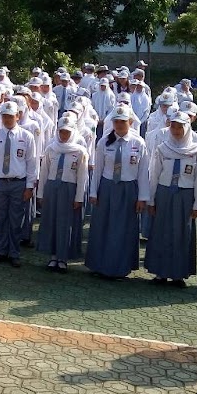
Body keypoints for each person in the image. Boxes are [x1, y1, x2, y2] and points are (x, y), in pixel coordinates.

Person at [85, 105, 149, 279]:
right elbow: (97, 169)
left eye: (123, 121)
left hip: (128, 190)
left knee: (124, 229)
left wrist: (143, 197)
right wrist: (93, 192)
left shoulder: (138, 143)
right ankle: (100, 264)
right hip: (107, 188)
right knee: (103, 227)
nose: (120, 125)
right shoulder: (103, 142)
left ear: (130, 122)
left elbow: (143, 172)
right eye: (116, 121)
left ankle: (122, 267)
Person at [145, 111, 197, 286]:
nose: (177, 130)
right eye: (173, 126)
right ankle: (160, 273)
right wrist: (151, 200)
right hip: (164, 194)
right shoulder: (162, 148)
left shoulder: (196, 152)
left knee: (181, 234)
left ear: (187, 128)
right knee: (161, 232)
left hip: (185, 196)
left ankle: (178, 274)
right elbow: (154, 175)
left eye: (181, 127)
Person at [36, 116, 88, 273]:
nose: (64, 135)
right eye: (62, 132)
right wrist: (40, 194)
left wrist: (79, 197)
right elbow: (44, 172)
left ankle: (63, 257)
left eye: (67, 132)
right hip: (52, 188)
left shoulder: (79, 151)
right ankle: (53, 256)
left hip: (69, 189)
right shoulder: (51, 149)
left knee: (65, 224)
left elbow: (82, 176)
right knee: (51, 221)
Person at [0, 101, 37, 267]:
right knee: (0, 218)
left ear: (18, 116)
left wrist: (30, 186)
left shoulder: (26, 137)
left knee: (16, 219)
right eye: (5, 116)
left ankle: (14, 252)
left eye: (11, 116)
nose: (7, 119)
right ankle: (0, 250)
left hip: (18, 183)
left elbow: (32, 163)